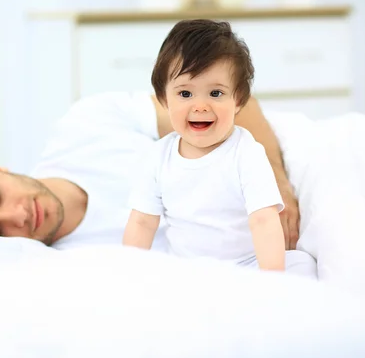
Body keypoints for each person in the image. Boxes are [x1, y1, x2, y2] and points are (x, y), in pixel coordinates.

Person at [0, 44, 301, 251]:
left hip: (284, 182)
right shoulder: (66, 272)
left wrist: (276, 183)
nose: (17, 216)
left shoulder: (85, 125)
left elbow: (235, 105)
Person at [122, 19, 315, 278]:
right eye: (185, 94)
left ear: (239, 100)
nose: (200, 106)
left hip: (247, 266)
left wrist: (272, 281)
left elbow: (263, 220)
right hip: (188, 271)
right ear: (164, 100)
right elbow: (142, 222)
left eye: (215, 93)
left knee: (302, 265)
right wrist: (127, 275)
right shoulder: (158, 157)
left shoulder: (246, 153)